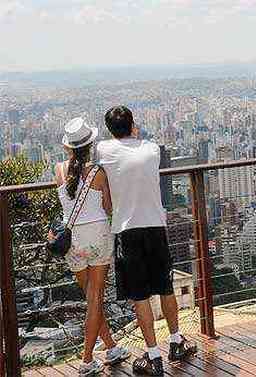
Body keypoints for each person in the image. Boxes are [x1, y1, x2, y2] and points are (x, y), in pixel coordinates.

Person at [97, 106, 197, 376]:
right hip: (155, 227)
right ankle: (176, 341)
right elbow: (140, 144)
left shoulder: (104, 151)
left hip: (127, 231)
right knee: (165, 288)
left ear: (110, 130)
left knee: (140, 296)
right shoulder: (152, 149)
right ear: (133, 125)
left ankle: (154, 357)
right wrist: (135, 134)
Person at [52, 117, 130, 376]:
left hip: (72, 242)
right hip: (97, 237)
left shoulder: (59, 171)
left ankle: (111, 347)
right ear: (91, 144)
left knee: (91, 298)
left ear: (67, 148)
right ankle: (86, 360)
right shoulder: (98, 172)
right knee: (96, 299)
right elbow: (108, 208)